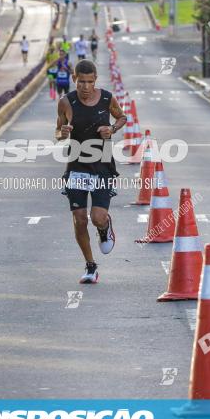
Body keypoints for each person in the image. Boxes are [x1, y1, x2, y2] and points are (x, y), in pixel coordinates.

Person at [55, 59, 126, 284]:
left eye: (90, 82)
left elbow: (122, 116)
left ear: (95, 80)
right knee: (79, 218)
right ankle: (90, 265)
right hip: (76, 165)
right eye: (81, 82)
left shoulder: (106, 98)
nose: (85, 87)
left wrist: (112, 128)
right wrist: (62, 133)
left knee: (97, 217)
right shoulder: (65, 102)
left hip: (102, 164)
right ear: (74, 79)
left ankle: (105, 228)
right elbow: (57, 131)